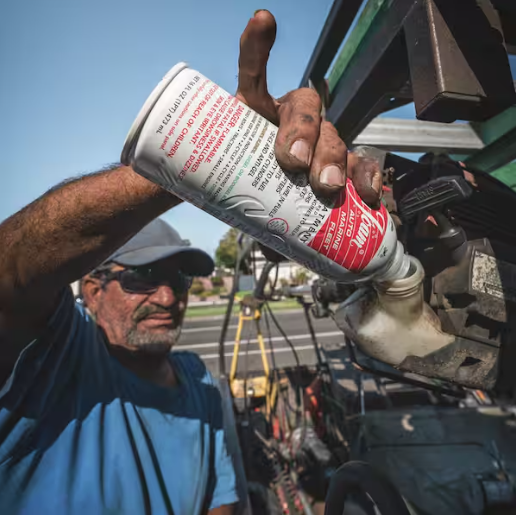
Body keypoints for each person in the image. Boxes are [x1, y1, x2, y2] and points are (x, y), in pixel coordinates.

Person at [0, 10, 382, 515]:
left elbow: (222, 500)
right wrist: (201, 159)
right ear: (91, 290)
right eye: (143, 277)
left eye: (179, 277)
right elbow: (12, 268)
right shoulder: (55, 365)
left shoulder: (198, 380)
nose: (167, 296)